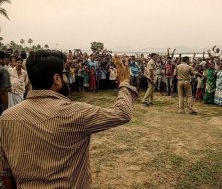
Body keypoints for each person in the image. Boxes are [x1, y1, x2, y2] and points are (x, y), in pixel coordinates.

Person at [0, 50, 138, 189]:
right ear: (56, 79)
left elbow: (6, 172)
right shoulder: (74, 112)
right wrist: (125, 82)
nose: (66, 79)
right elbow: (122, 113)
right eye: (64, 74)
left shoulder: (6, 118)